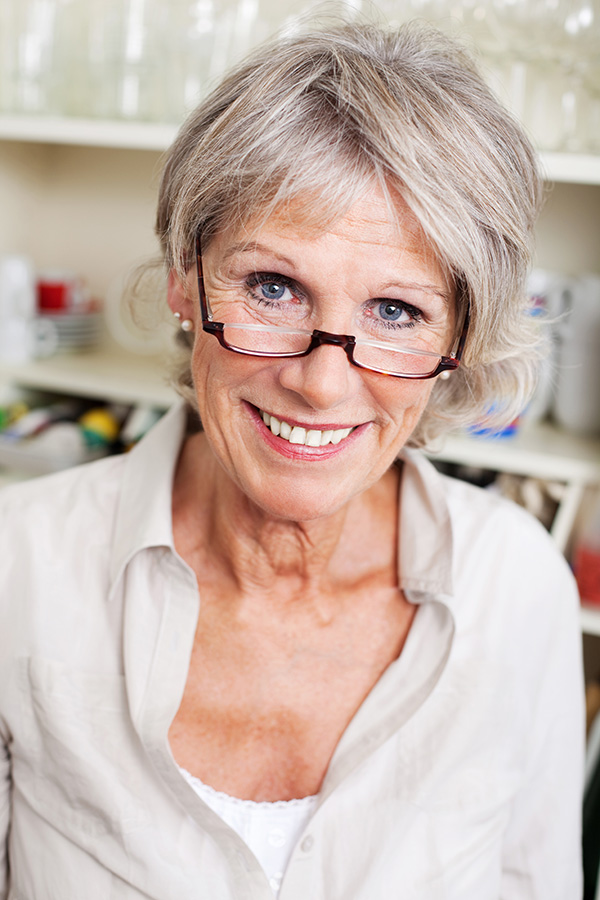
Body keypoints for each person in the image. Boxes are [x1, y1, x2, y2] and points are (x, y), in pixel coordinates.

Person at [0, 19, 585, 900]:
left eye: (396, 312)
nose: (320, 382)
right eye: (274, 288)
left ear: (460, 338)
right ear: (185, 281)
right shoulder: (19, 571)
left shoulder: (517, 590)